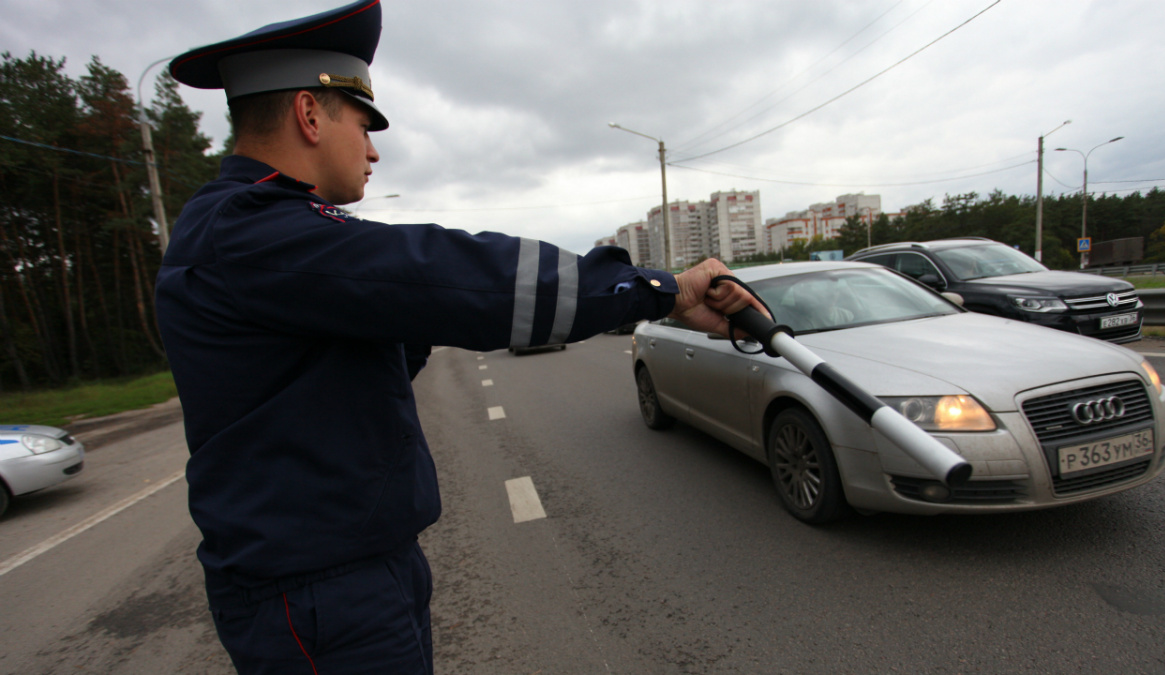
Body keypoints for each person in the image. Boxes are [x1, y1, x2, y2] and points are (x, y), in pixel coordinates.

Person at [157, 1, 763, 673]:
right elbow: (449, 276)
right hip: (321, 594)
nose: (374, 148)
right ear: (308, 114)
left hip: (351, 576)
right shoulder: (250, 232)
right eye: (362, 123)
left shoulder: (262, 235)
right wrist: (661, 290)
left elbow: (366, 348)